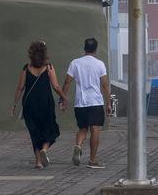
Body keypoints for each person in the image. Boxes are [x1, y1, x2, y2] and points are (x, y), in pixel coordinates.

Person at [10, 41, 67, 169]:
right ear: (44, 54)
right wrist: (64, 97)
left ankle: (38, 162)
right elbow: (56, 86)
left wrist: (14, 104)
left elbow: (20, 88)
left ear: (31, 53)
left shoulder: (26, 68)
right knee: (50, 128)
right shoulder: (49, 67)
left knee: (34, 132)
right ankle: (44, 150)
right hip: (45, 103)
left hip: (29, 105)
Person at [62, 38, 111, 169]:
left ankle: (78, 145)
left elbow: (67, 81)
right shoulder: (100, 64)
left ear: (84, 48)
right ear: (96, 49)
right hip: (95, 101)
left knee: (83, 128)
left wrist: (63, 98)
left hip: (80, 102)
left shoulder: (75, 63)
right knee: (95, 129)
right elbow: (105, 85)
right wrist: (108, 103)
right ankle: (92, 160)